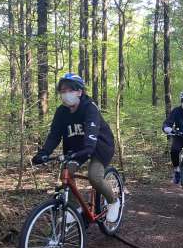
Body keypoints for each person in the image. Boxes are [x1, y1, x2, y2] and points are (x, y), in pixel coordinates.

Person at [32, 73, 120, 222]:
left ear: (79, 92)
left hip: (99, 146)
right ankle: (74, 209)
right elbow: (54, 135)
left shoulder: (89, 107)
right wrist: (44, 153)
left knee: (94, 176)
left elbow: (91, 129)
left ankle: (113, 201)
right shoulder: (61, 112)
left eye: (70, 90)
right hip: (78, 147)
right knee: (66, 173)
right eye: (63, 91)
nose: (66, 94)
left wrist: (88, 148)